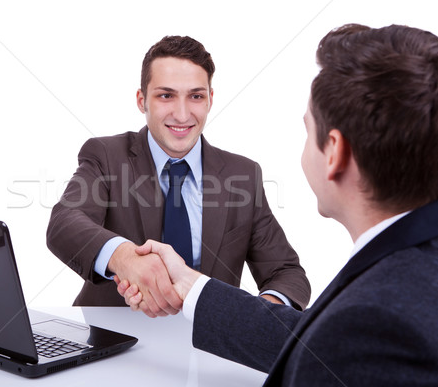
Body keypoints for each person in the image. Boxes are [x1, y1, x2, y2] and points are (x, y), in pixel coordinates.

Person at [118, 24, 438, 385]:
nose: (181, 113)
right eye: (166, 95)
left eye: (308, 130)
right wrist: (191, 286)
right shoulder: (419, 269)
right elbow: (316, 340)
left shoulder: (370, 321)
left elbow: (339, 337)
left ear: (334, 153)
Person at [46, 36, 311, 317]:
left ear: (210, 100)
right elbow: (65, 222)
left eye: (196, 96)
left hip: (209, 348)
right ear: (141, 100)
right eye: (166, 95)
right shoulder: (107, 156)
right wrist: (123, 258)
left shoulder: (242, 175)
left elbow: (286, 273)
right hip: (111, 342)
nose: (182, 114)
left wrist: (253, 318)